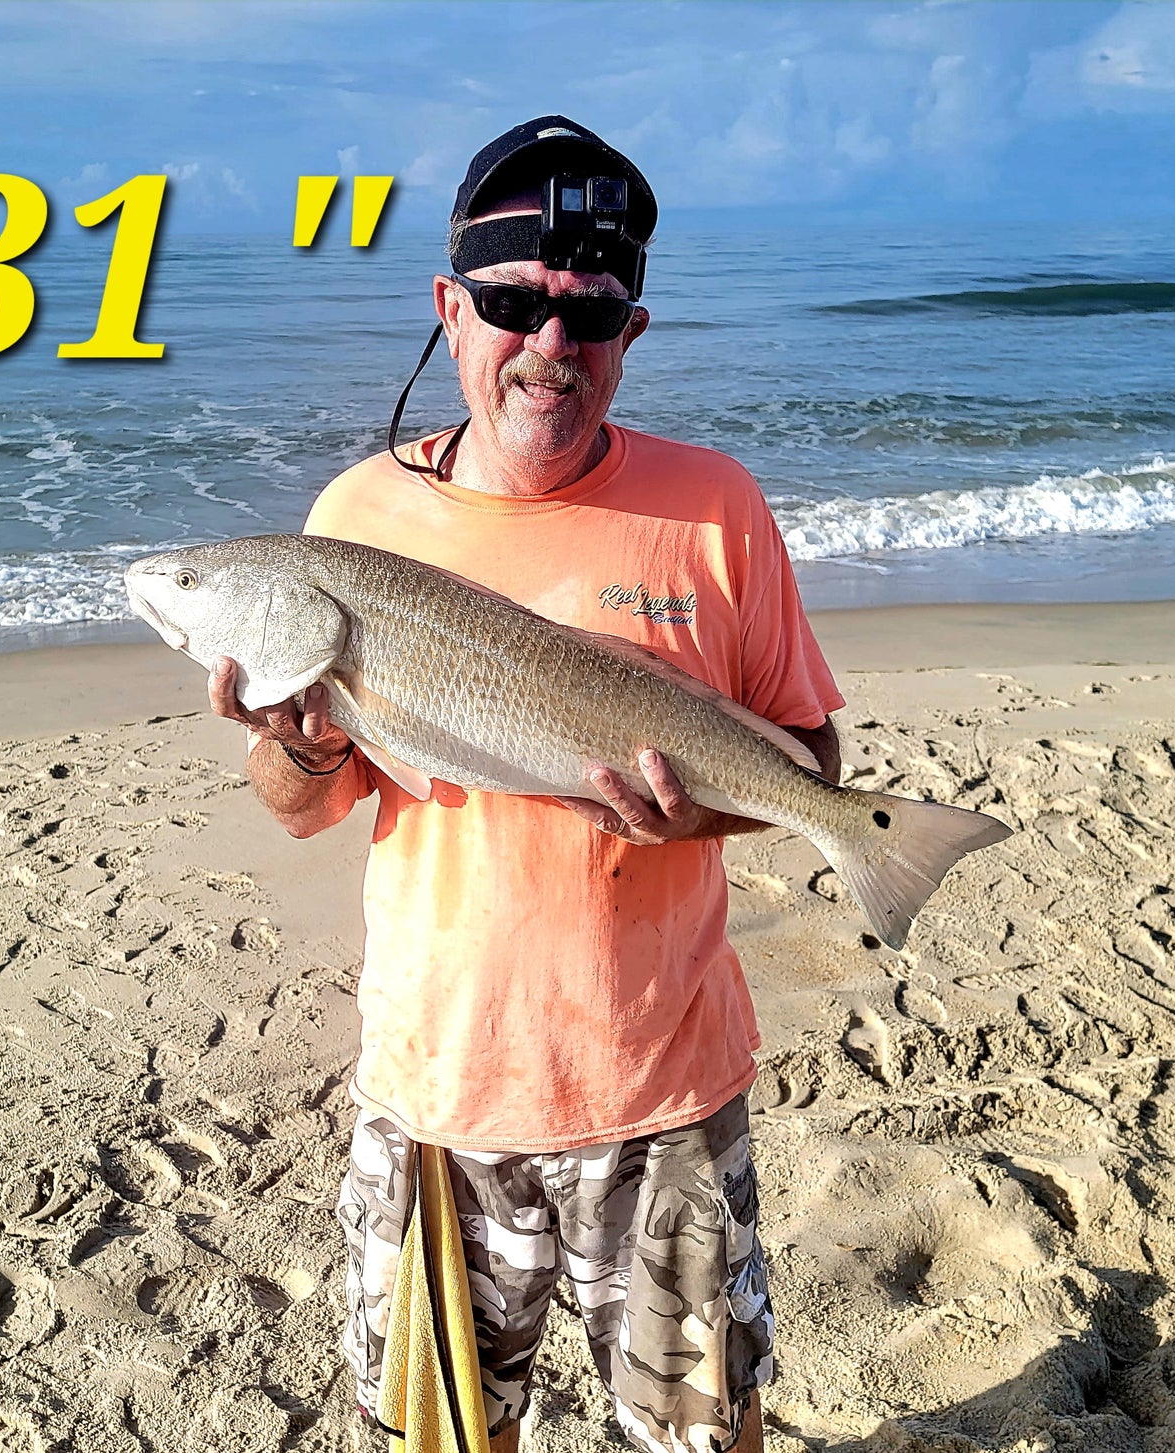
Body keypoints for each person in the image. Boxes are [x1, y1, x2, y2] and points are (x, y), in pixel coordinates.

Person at [209, 116, 844, 1453]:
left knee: (695, 1438)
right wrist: (304, 735)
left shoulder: (713, 507)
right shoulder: (353, 523)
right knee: (438, 1436)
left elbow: (809, 760)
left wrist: (711, 805)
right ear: (450, 310)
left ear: (632, 332)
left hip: (665, 1093)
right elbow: (298, 801)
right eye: (512, 304)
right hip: (438, 1088)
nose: (550, 346)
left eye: (590, 317)